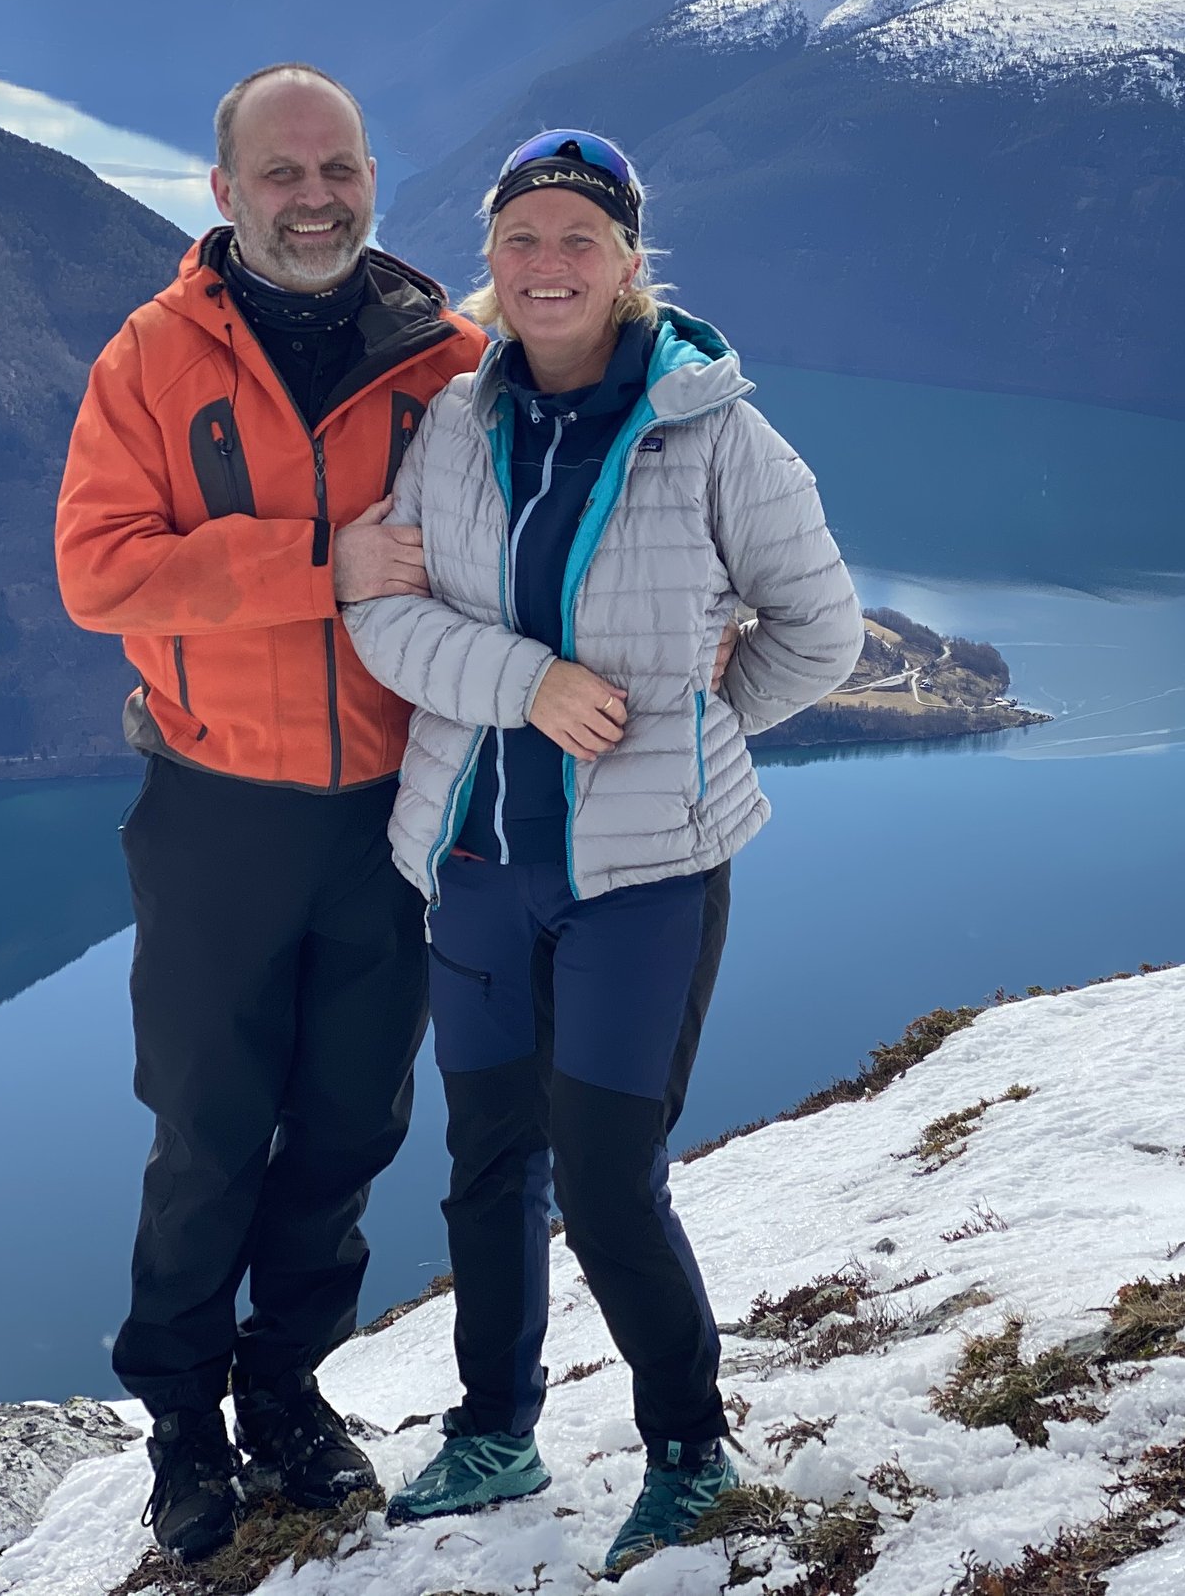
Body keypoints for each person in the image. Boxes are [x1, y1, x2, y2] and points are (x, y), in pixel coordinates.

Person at [343, 130, 862, 1577]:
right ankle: (495, 1430)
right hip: (477, 866)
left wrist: (688, 738)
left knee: (611, 1174)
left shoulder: (717, 436)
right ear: (490, 268)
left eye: (580, 239)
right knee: (487, 1160)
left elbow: (823, 632)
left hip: (643, 882)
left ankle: (689, 1450)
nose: (549, 266)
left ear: (633, 263)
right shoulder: (453, 421)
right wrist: (530, 687)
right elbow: (379, 616)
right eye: (522, 241)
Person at [53, 64, 486, 1563]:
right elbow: (99, 573)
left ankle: (288, 1390)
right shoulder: (154, 359)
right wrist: (319, 558)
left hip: (392, 813)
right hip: (218, 810)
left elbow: (550, 528)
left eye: (339, 168)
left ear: (374, 177)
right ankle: (181, 1424)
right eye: (282, 173)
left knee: (350, 1129)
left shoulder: (450, 362)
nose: (315, 197)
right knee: (208, 1132)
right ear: (224, 192)